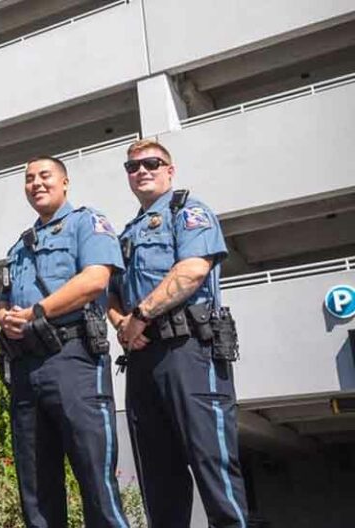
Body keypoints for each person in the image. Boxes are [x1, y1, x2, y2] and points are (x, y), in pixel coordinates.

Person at [108, 138, 248, 528]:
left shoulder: (188, 211)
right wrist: (123, 324)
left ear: (170, 170)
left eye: (151, 163)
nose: (142, 171)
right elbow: (110, 293)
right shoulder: (126, 233)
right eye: (132, 167)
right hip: (142, 356)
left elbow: (192, 271)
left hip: (190, 349)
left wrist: (138, 314)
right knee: (157, 472)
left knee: (212, 459)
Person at [0, 156, 129, 528]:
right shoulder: (19, 246)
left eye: (45, 176)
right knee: (36, 488)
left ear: (65, 182)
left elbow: (95, 281)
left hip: (74, 360)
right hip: (26, 367)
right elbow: (4, 300)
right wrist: (4, 317)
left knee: (95, 478)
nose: (36, 183)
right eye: (29, 178)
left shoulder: (87, 222)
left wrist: (37, 311)